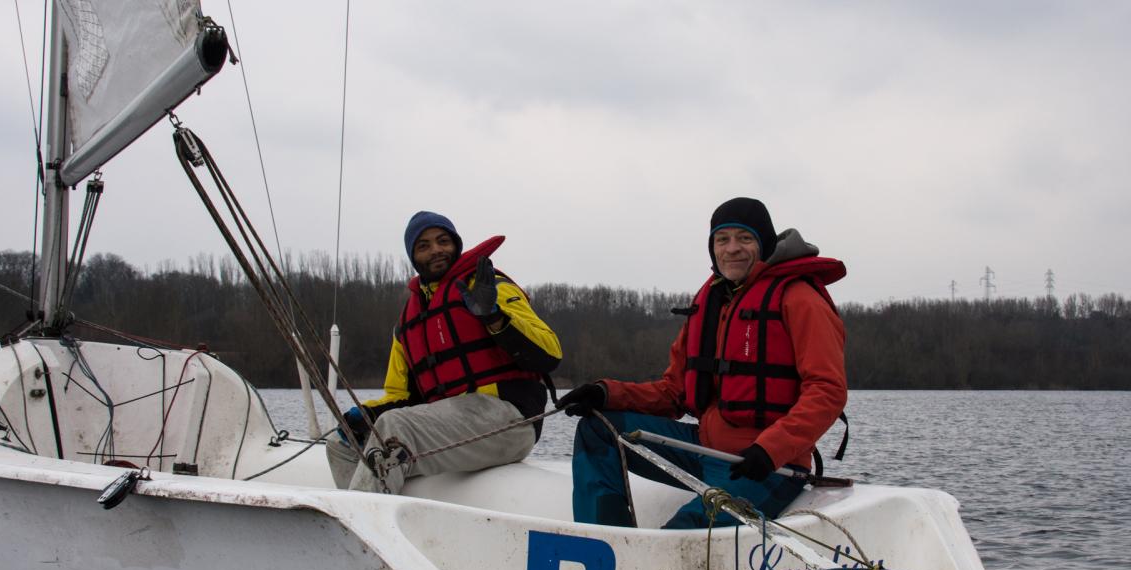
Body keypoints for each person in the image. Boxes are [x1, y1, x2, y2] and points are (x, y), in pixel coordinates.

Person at [557, 197, 847, 528]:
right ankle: (606, 539)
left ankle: (652, 550)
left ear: (764, 244)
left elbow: (827, 391)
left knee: (683, 534)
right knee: (599, 429)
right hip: (705, 449)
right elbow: (673, 392)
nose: (732, 248)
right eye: (722, 240)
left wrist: (771, 449)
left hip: (769, 466)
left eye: (745, 238)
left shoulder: (800, 299)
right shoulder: (711, 301)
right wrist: (606, 393)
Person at [328, 211, 562, 494]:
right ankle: (363, 512)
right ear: (414, 257)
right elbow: (400, 395)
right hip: (450, 422)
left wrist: (494, 317)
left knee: (394, 427)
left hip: (509, 420)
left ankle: (363, 514)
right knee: (342, 443)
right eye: (424, 245)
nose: (436, 250)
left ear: (456, 245)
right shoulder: (407, 324)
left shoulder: (488, 288)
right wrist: (368, 414)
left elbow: (550, 353)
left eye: (443, 241)